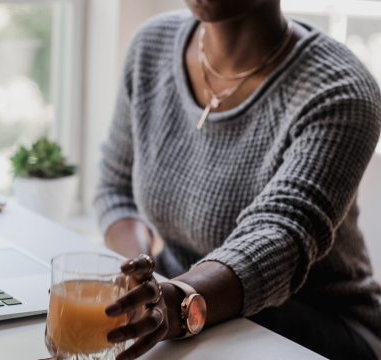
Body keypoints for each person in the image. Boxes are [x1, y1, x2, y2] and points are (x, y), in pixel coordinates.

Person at [94, 1, 381, 359]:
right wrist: (139, 281)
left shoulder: (340, 90)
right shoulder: (151, 46)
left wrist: (177, 301)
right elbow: (115, 187)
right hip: (187, 314)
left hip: (311, 329)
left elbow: (281, 234)